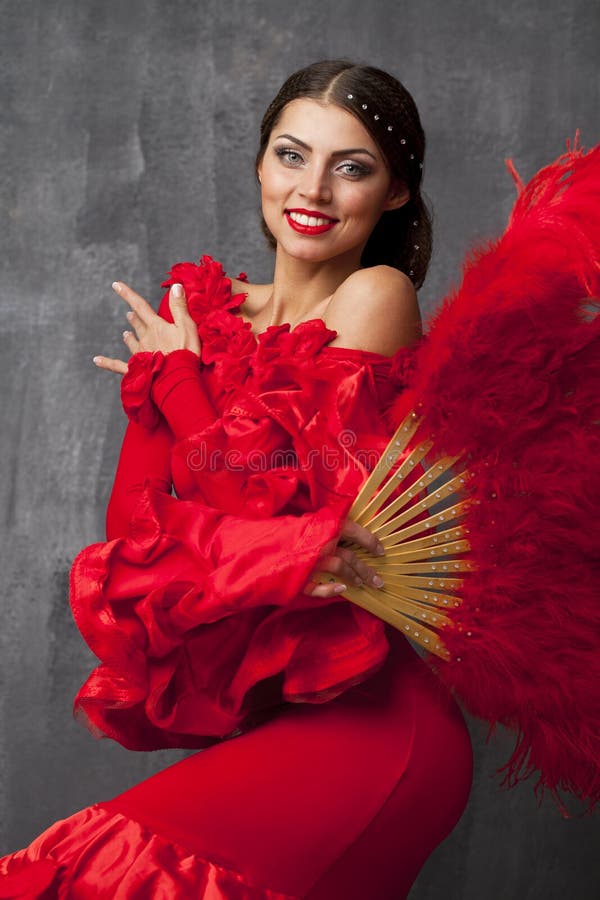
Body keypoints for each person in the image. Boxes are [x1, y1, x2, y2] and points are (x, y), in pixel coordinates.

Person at [0, 59, 475, 898]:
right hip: (280, 720)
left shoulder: (376, 297)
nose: (314, 189)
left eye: (352, 166)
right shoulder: (198, 307)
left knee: (103, 872)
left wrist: (178, 387)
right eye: (292, 156)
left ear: (395, 193)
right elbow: (130, 542)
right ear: (260, 163)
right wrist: (164, 405)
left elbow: (313, 532)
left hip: (379, 724)